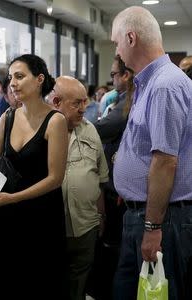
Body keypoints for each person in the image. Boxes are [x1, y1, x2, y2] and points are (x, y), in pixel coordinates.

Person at [111, 6, 192, 300]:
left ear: (131, 38)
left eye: (117, 41)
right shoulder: (150, 82)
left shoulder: (164, 85)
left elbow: (165, 161)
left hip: (161, 220)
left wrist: (152, 227)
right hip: (145, 215)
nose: (117, 49)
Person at [0, 54, 69, 299]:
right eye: (11, 78)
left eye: (20, 76)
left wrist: (14, 198)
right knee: (4, 283)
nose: (13, 83)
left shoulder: (55, 121)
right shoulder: (6, 118)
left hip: (40, 219)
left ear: (39, 79)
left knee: (37, 284)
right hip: (7, 218)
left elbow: (55, 178)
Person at [47, 76, 108, 300]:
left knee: (79, 286)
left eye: (85, 102)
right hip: (52, 227)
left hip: (86, 224)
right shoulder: (39, 132)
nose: (84, 108)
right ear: (56, 102)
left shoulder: (90, 129)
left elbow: (100, 176)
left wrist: (101, 215)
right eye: (77, 103)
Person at [88, 55, 134, 300]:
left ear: (126, 75)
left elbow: (100, 128)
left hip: (118, 191)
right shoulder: (119, 100)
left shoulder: (129, 102)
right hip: (114, 187)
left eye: (115, 74)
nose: (112, 78)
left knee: (114, 248)